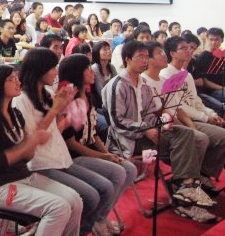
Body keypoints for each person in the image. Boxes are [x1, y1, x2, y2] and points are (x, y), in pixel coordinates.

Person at [101, 41, 215, 208]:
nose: (144, 61)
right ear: (127, 59)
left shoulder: (144, 84)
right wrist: (146, 130)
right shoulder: (117, 85)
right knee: (184, 141)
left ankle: (186, 185)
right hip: (128, 140)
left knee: (185, 133)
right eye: (140, 57)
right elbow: (118, 122)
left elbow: (151, 112)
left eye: (146, 57)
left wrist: (162, 123)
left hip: (148, 133)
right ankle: (184, 188)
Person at [0, 64, 82, 236]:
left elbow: (27, 157)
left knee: (75, 200)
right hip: (0, 186)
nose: (18, 82)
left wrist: (33, 143)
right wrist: (31, 142)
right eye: (11, 79)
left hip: (24, 176)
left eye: (17, 78)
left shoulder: (15, 114)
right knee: (58, 207)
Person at [14, 48, 114, 236]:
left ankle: (78, 229)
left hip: (58, 157)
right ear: (40, 69)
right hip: (39, 163)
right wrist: (56, 110)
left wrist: (66, 114)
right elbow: (34, 138)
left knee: (103, 188)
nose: (56, 72)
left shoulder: (47, 93)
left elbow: (55, 131)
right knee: (90, 196)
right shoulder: (21, 100)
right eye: (53, 67)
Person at [59, 54, 137, 232]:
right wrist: (104, 156)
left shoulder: (87, 95)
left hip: (87, 151)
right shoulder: (69, 100)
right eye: (87, 68)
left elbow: (92, 134)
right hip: (73, 156)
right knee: (117, 173)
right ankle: (96, 220)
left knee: (130, 169)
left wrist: (107, 154)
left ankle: (101, 216)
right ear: (77, 72)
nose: (92, 71)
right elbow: (71, 143)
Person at [159, 38, 225, 186]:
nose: (189, 51)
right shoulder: (165, 74)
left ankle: (204, 172)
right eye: (184, 48)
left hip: (193, 116)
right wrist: (204, 118)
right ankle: (187, 179)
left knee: (222, 135)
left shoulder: (186, 74)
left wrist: (211, 114)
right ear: (172, 53)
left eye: (190, 48)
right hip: (180, 119)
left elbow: (195, 101)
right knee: (207, 138)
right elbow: (177, 106)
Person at [194, 27, 225, 116]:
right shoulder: (203, 57)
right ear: (207, 39)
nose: (213, 42)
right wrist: (222, 88)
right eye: (211, 39)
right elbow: (204, 82)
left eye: (217, 39)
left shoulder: (221, 55)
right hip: (210, 91)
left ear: (222, 40)